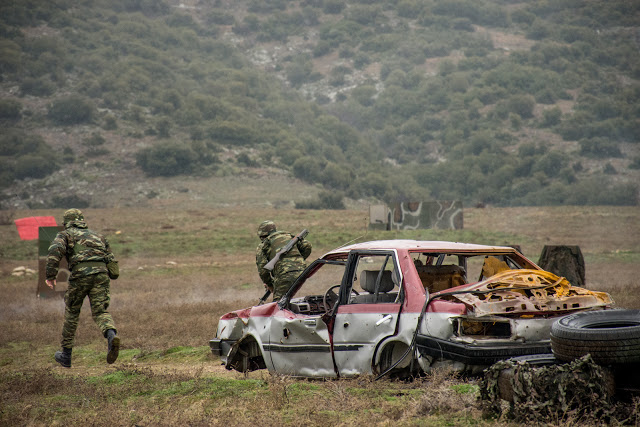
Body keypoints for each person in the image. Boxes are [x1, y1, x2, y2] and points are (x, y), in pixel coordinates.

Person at [45, 208, 120, 368]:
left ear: (67, 222)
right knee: (100, 312)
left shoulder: (65, 234)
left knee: (72, 312)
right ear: (81, 220)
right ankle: (111, 334)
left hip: (80, 275)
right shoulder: (98, 236)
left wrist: (51, 275)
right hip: (101, 274)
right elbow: (111, 260)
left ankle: (66, 355)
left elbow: (54, 251)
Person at [255, 220, 312, 301]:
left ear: (262, 235)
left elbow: (262, 270)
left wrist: (270, 284)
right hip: (302, 271)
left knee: (278, 305)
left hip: (284, 274)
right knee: (288, 301)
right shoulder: (289, 237)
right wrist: (297, 260)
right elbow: (307, 246)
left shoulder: (263, 245)